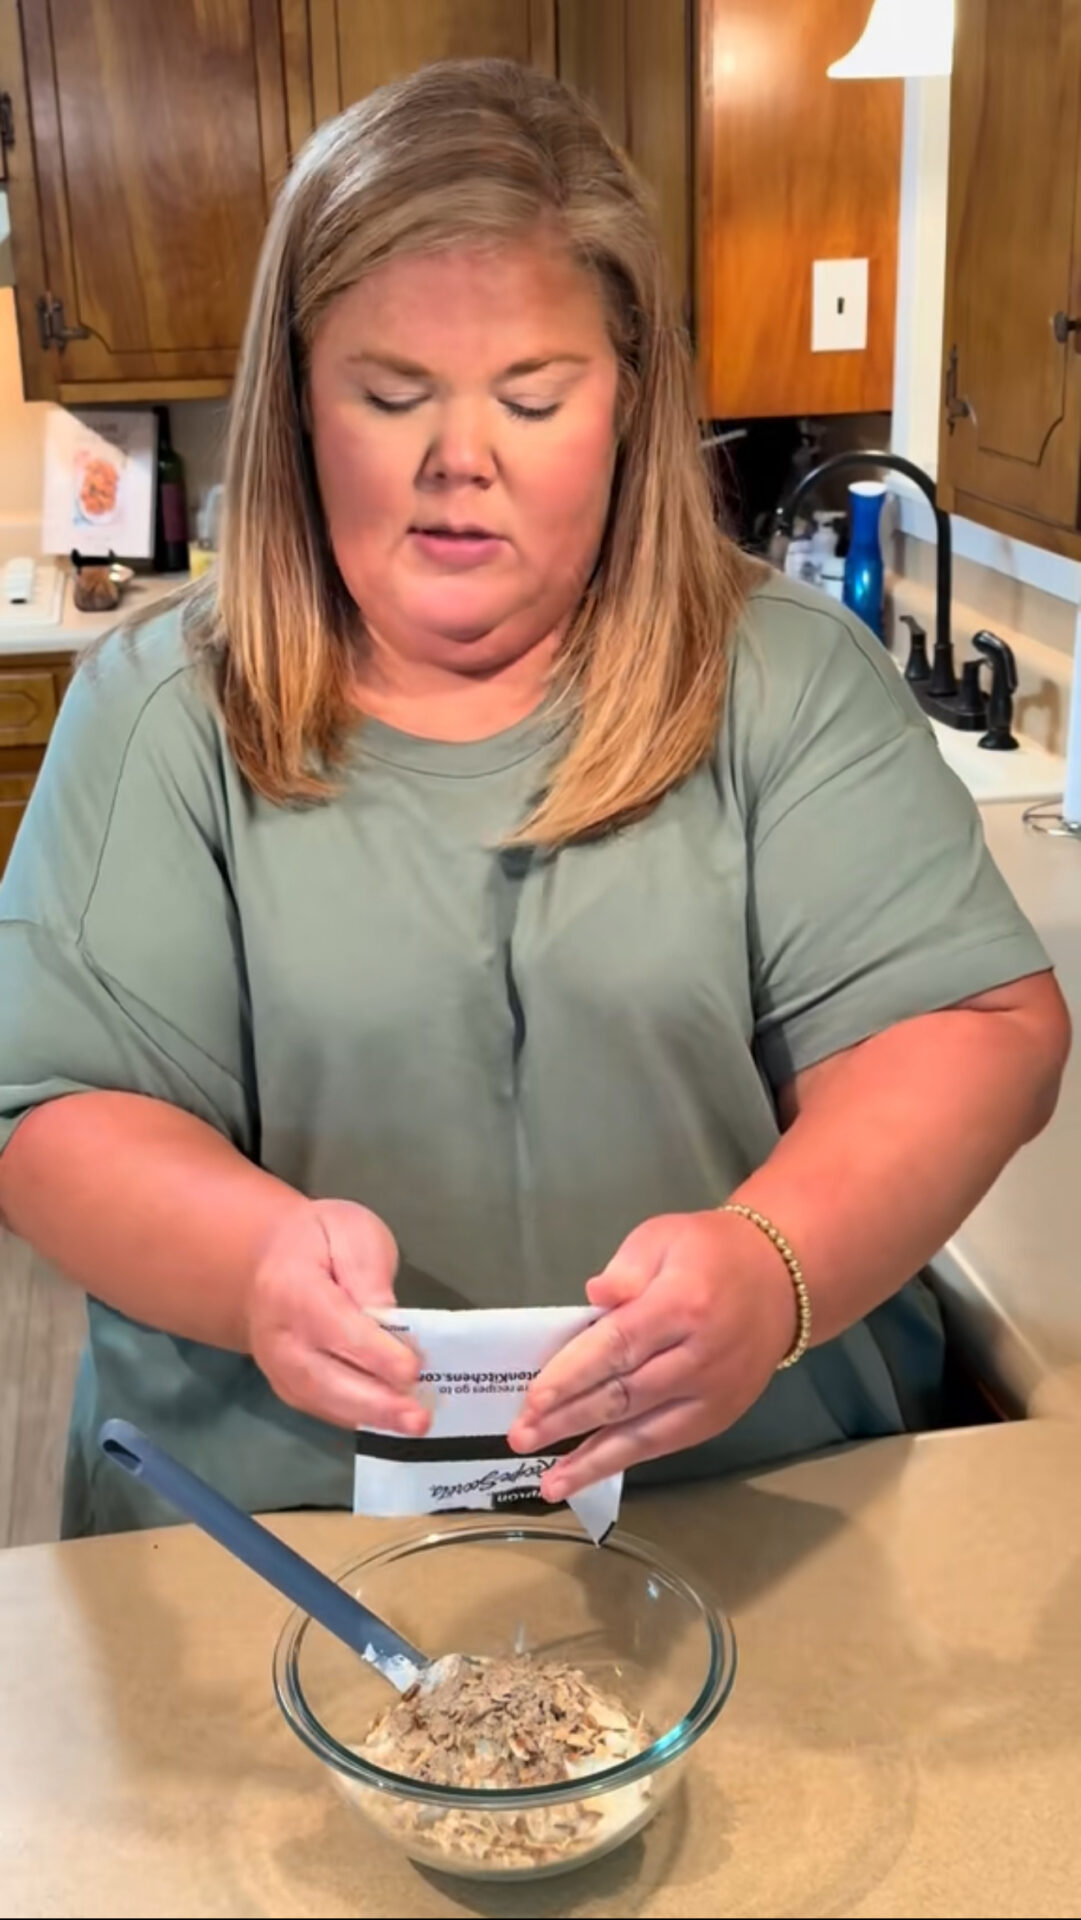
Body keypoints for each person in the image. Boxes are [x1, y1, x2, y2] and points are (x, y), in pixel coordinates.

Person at [0, 61, 1069, 1537]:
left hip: (743, 1520)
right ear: (302, 401)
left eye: (531, 394)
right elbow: (56, 1110)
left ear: (627, 398)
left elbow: (972, 1038)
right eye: (389, 394)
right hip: (283, 1549)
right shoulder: (158, 717)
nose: (460, 463)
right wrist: (249, 1261)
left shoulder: (784, 681)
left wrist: (772, 1264)